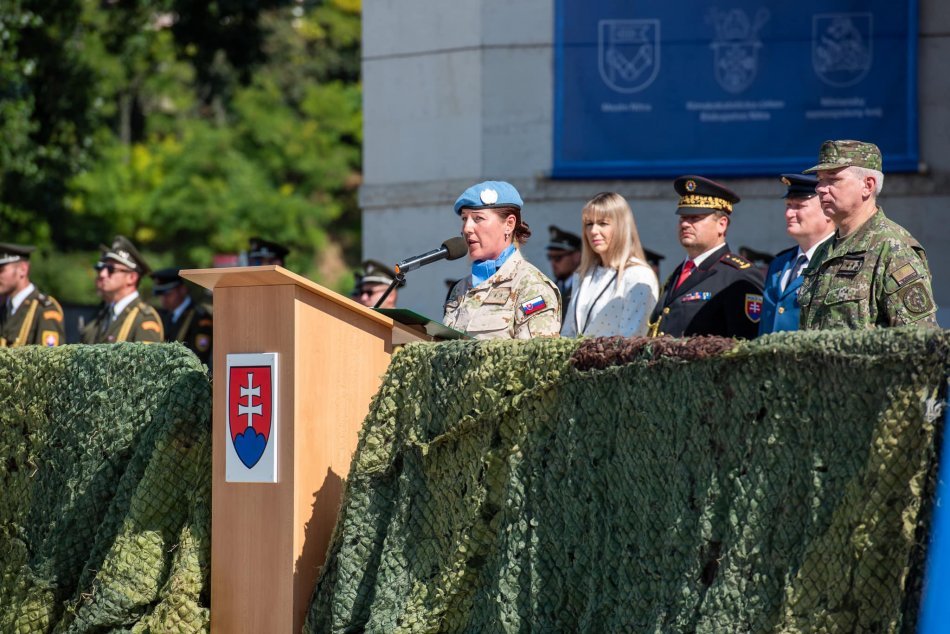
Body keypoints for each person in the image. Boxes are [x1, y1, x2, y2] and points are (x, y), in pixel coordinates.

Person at [798, 140, 938, 329]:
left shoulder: (893, 249)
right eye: (819, 180)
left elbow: (920, 340)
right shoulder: (824, 251)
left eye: (833, 179)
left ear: (867, 185)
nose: (820, 188)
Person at [648, 175, 764, 339]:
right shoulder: (679, 273)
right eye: (683, 217)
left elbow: (745, 345)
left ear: (721, 224)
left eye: (695, 218)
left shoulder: (738, 275)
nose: (685, 224)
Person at [443, 180, 560, 339]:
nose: (466, 228)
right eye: (464, 219)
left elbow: (536, 359)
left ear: (509, 224)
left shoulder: (531, 286)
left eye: (478, 218)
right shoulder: (460, 289)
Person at [560, 192, 658, 337]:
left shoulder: (638, 274)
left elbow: (631, 340)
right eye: (589, 224)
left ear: (621, 227)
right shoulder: (583, 273)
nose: (593, 231)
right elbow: (568, 333)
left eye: (603, 223)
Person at [758, 173, 834, 335]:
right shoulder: (779, 263)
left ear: (827, 212)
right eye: (788, 205)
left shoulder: (838, 261)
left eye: (799, 206)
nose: (789, 214)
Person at [81, 236, 164, 344]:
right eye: (102, 268)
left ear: (132, 278)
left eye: (111, 269)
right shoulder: (104, 314)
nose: (102, 274)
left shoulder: (144, 318)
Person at [0, 243, 65, 347]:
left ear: (23, 270)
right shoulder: (5, 309)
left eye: (1, 270)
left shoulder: (44, 309)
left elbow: (49, 360)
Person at [151, 267, 213, 365]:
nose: (164, 299)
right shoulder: (163, 315)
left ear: (182, 290)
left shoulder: (200, 318)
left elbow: (198, 357)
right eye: (161, 294)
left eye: (168, 294)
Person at [546, 225, 582, 316]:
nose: (553, 263)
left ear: (576, 256)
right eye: (550, 257)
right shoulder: (551, 287)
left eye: (558, 258)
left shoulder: (585, 287)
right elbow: (528, 309)